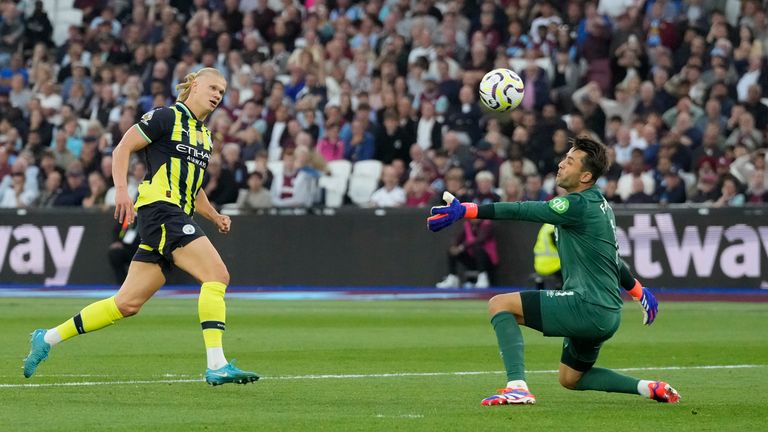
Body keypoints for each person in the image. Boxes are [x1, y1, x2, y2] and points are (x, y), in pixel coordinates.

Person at [23, 68, 259, 386]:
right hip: (161, 210)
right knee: (217, 276)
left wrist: (214, 216)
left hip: (177, 213)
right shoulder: (165, 117)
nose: (218, 94)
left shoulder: (204, 136)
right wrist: (121, 189)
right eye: (213, 87)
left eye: (222, 91)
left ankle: (47, 338)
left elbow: (193, 186)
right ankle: (216, 364)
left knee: (127, 303)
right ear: (194, 85)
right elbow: (123, 147)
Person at [427, 136, 679, 405]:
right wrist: (639, 291)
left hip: (586, 306)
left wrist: (468, 210)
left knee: (500, 305)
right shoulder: (601, 205)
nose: (561, 164)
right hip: (606, 315)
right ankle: (649, 388)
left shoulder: (576, 205)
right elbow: (612, 260)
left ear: (585, 176)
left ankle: (517, 387)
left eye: (569, 161)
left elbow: (524, 210)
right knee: (572, 379)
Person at [435, 218, 498, 289]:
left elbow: (480, 240)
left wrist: (462, 247)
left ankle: (482, 278)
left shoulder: (487, 224)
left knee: (477, 248)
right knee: (452, 251)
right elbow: (459, 238)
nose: (474, 218)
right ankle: (453, 278)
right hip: (472, 260)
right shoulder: (467, 225)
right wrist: (454, 246)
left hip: (487, 261)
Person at [532, 223, 562, 290]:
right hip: (553, 265)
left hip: (539, 265)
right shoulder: (554, 227)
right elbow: (560, 246)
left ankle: (540, 295)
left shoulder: (546, 226)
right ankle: (560, 294)